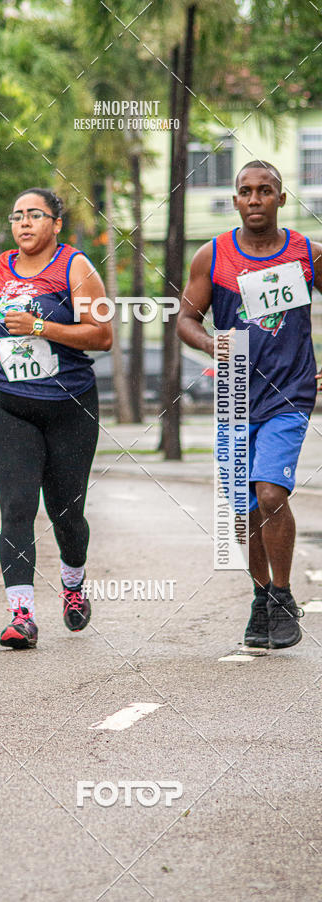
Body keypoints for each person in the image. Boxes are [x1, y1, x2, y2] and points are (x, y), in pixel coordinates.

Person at [177, 160, 322, 649]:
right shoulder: (213, 255)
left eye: (265, 190)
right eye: (246, 191)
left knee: (270, 495)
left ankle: (282, 595)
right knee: (244, 510)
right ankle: (262, 597)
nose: (255, 199)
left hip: (289, 394)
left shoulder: (307, 254)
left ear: (281, 198)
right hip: (236, 396)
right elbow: (186, 319)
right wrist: (209, 342)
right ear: (236, 199)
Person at [0, 188, 112, 649]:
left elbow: (102, 336)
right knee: (16, 508)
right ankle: (22, 616)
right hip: (8, 404)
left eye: (35, 215)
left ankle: (73, 584)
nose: (25, 223)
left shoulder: (76, 268)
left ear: (56, 223)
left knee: (66, 513)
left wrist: (40, 327)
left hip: (69, 407)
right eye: (17, 216)